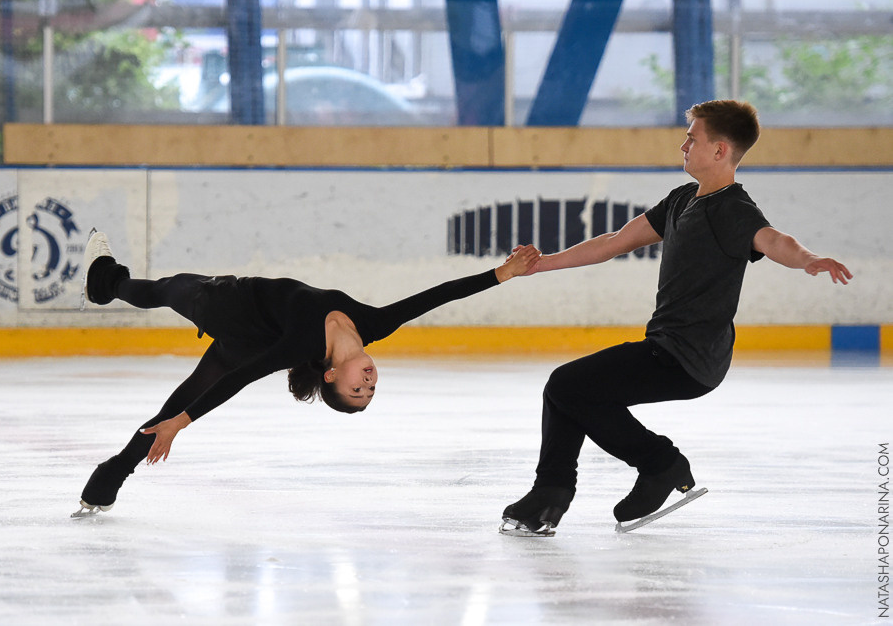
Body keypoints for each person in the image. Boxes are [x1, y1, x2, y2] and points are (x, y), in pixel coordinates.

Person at [500, 100, 852, 535]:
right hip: (666, 346)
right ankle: (550, 497)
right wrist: (543, 263)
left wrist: (809, 259)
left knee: (567, 386)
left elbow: (774, 240)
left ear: (720, 151)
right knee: (569, 390)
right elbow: (614, 241)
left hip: (690, 357)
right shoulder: (682, 200)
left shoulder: (733, 210)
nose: (683, 144)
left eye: (693, 138)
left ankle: (659, 464)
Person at [73, 231, 540, 516]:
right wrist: (502, 273)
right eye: (372, 389)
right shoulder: (374, 325)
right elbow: (435, 297)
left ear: (333, 376)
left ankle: (106, 282)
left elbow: (239, 379)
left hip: (229, 309)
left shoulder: (302, 347)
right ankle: (109, 475)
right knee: (160, 294)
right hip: (252, 323)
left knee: (168, 298)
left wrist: (185, 422)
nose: (369, 381)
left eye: (358, 390)